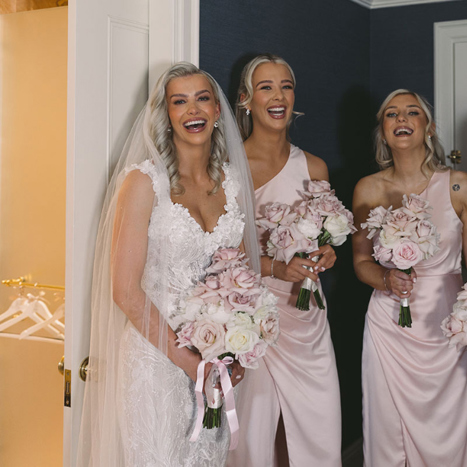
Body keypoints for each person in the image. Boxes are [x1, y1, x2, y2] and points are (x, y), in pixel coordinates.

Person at [77, 62, 259, 467]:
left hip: (212, 359)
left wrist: (234, 350)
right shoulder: (143, 182)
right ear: (167, 114)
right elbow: (124, 291)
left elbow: (241, 277)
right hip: (153, 359)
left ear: (217, 111)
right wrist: (188, 361)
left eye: (202, 99)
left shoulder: (231, 181)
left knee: (207, 458)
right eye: (180, 101)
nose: (192, 110)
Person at [352, 89, 467, 466]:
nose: (402, 119)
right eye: (392, 114)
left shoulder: (459, 184)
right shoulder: (368, 188)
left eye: (412, 112)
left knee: (450, 426)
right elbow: (361, 262)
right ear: (383, 130)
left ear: (429, 127)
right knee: (387, 425)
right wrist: (386, 279)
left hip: (445, 322)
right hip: (388, 324)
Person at [226, 53, 342, 466]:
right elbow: (219, 251)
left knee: (316, 425)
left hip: (306, 315)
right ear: (245, 100)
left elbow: (324, 232)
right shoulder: (228, 167)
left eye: (286, 87)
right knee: (257, 432)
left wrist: (327, 251)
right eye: (266, 87)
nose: (278, 96)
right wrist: (276, 268)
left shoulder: (313, 166)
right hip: (251, 314)